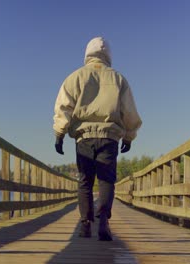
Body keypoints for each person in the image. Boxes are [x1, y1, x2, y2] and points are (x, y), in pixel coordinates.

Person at [53, 37, 142, 241]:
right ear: (108, 55)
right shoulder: (119, 79)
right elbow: (129, 112)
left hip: (84, 138)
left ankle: (85, 224)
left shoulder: (75, 77)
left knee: (85, 181)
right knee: (106, 180)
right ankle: (103, 221)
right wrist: (129, 136)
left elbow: (63, 107)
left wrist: (59, 134)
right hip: (109, 138)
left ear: (87, 54)